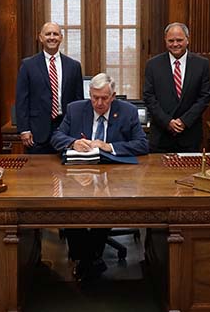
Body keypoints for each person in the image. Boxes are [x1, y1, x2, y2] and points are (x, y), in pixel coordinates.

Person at [51, 73, 149, 281]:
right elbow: (56, 137)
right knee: (69, 208)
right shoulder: (76, 109)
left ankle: (85, 260)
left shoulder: (128, 111)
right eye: (95, 97)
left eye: (104, 98)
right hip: (77, 176)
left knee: (106, 207)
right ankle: (90, 258)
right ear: (90, 94)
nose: (99, 103)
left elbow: (142, 144)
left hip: (114, 176)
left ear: (113, 96)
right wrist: (72, 143)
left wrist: (109, 146)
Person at [15, 22, 83, 154]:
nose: (52, 37)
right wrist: (24, 129)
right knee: (38, 172)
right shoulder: (28, 65)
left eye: (55, 34)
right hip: (36, 132)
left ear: (61, 38)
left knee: (67, 172)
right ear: (41, 37)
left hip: (66, 129)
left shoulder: (74, 66)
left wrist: (79, 128)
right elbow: (22, 99)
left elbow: (78, 100)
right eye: (48, 34)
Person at [143, 22, 210, 152]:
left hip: (189, 134)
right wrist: (168, 122)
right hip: (161, 136)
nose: (175, 44)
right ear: (165, 41)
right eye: (171, 40)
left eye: (179, 40)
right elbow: (149, 97)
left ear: (188, 39)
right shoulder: (153, 65)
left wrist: (183, 121)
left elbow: (204, 98)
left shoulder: (201, 64)